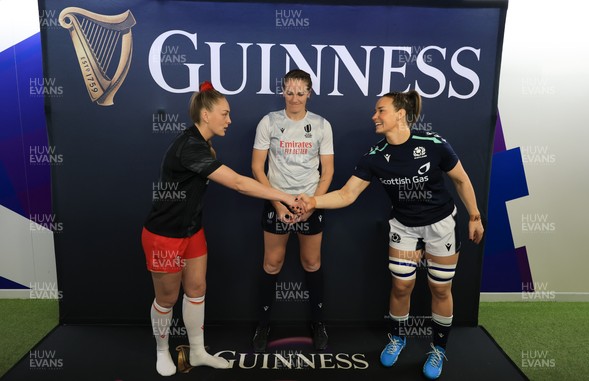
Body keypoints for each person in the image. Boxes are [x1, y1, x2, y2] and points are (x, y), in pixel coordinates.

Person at [299, 90, 484, 380]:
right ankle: (398, 338)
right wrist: (313, 201)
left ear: (400, 113)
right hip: (403, 226)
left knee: (440, 288)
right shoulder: (374, 156)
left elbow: (460, 179)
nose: (374, 116)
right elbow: (347, 194)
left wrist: (474, 216)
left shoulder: (433, 144)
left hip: (441, 225)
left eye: (380, 110)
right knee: (401, 287)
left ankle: (438, 348)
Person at [141, 81, 302, 376]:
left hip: (192, 231)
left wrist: (281, 198)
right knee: (167, 298)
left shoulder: (204, 145)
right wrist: (285, 197)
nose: (230, 120)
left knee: (197, 289)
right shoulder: (189, 147)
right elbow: (240, 184)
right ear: (205, 115)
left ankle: (199, 351)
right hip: (165, 235)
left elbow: (238, 186)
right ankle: (162, 350)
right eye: (225, 114)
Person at [250, 69, 334, 352]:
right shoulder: (269, 122)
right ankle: (263, 324)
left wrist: (313, 204)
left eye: (301, 93)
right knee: (272, 263)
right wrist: (277, 202)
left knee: (312, 263)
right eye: (289, 92)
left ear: (309, 93)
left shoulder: (322, 124)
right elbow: (256, 168)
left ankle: (318, 322)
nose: (295, 98)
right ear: (282, 91)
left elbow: (328, 172)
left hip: (310, 203)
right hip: (277, 202)